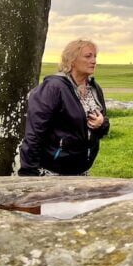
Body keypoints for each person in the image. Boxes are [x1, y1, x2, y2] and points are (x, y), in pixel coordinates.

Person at [19, 39, 110, 176]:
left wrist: (101, 124)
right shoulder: (53, 88)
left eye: (95, 56)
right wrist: (29, 173)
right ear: (71, 60)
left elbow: (102, 128)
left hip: (82, 171)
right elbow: (34, 133)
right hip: (52, 172)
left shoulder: (94, 89)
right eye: (88, 56)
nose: (93, 61)